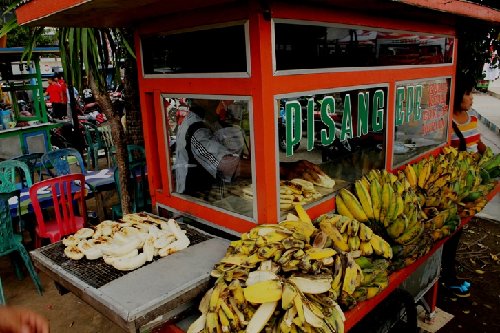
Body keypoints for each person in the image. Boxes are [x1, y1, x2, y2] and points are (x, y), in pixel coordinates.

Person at [174, 99, 321, 196]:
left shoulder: (213, 121)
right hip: (195, 204)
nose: (227, 101)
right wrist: (283, 169)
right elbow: (226, 164)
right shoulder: (195, 129)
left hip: (219, 196)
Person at [441, 74, 486, 298]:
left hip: (468, 186)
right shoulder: (446, 123)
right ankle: (448, 279)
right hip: (451, 188)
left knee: (457, 233)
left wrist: (483, 152)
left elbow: (476, 144)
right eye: (468, 94)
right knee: (450, 233)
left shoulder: (472, 118)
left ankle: (447, 275)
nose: (471, 98)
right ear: (458, 95)